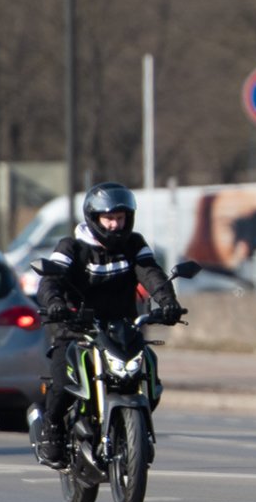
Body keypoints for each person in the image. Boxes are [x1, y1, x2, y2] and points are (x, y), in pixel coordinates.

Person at [33, 182, 185, 467]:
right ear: (94, 217)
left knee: (148, 369)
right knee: (63, 379)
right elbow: (51, 279)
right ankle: (52, 428)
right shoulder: (72, 247)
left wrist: (167, 302)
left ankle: (135, 433)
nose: (115, 225)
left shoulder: (134, 244)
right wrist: (54, 302)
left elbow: (150, 272)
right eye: (109, 218)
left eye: (120, 218)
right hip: (76, 327)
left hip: (122, 328)